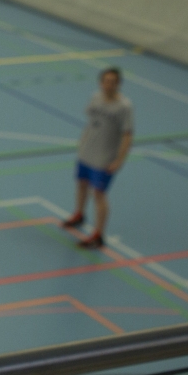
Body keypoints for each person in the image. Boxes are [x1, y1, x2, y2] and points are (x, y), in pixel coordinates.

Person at [62, 66, 134, 249]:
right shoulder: (95, 98)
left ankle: (98, 235)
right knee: (81, 184)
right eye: (106, 81)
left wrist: (119, 160)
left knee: (99, 194)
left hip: (104, 158)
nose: (108, 85)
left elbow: (127, 135)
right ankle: (79, 214)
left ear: (118, 84)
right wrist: (82, 143)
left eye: (113, 82)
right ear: (101, 82)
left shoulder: (124, 107)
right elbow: (91, 123)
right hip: (87, 152)